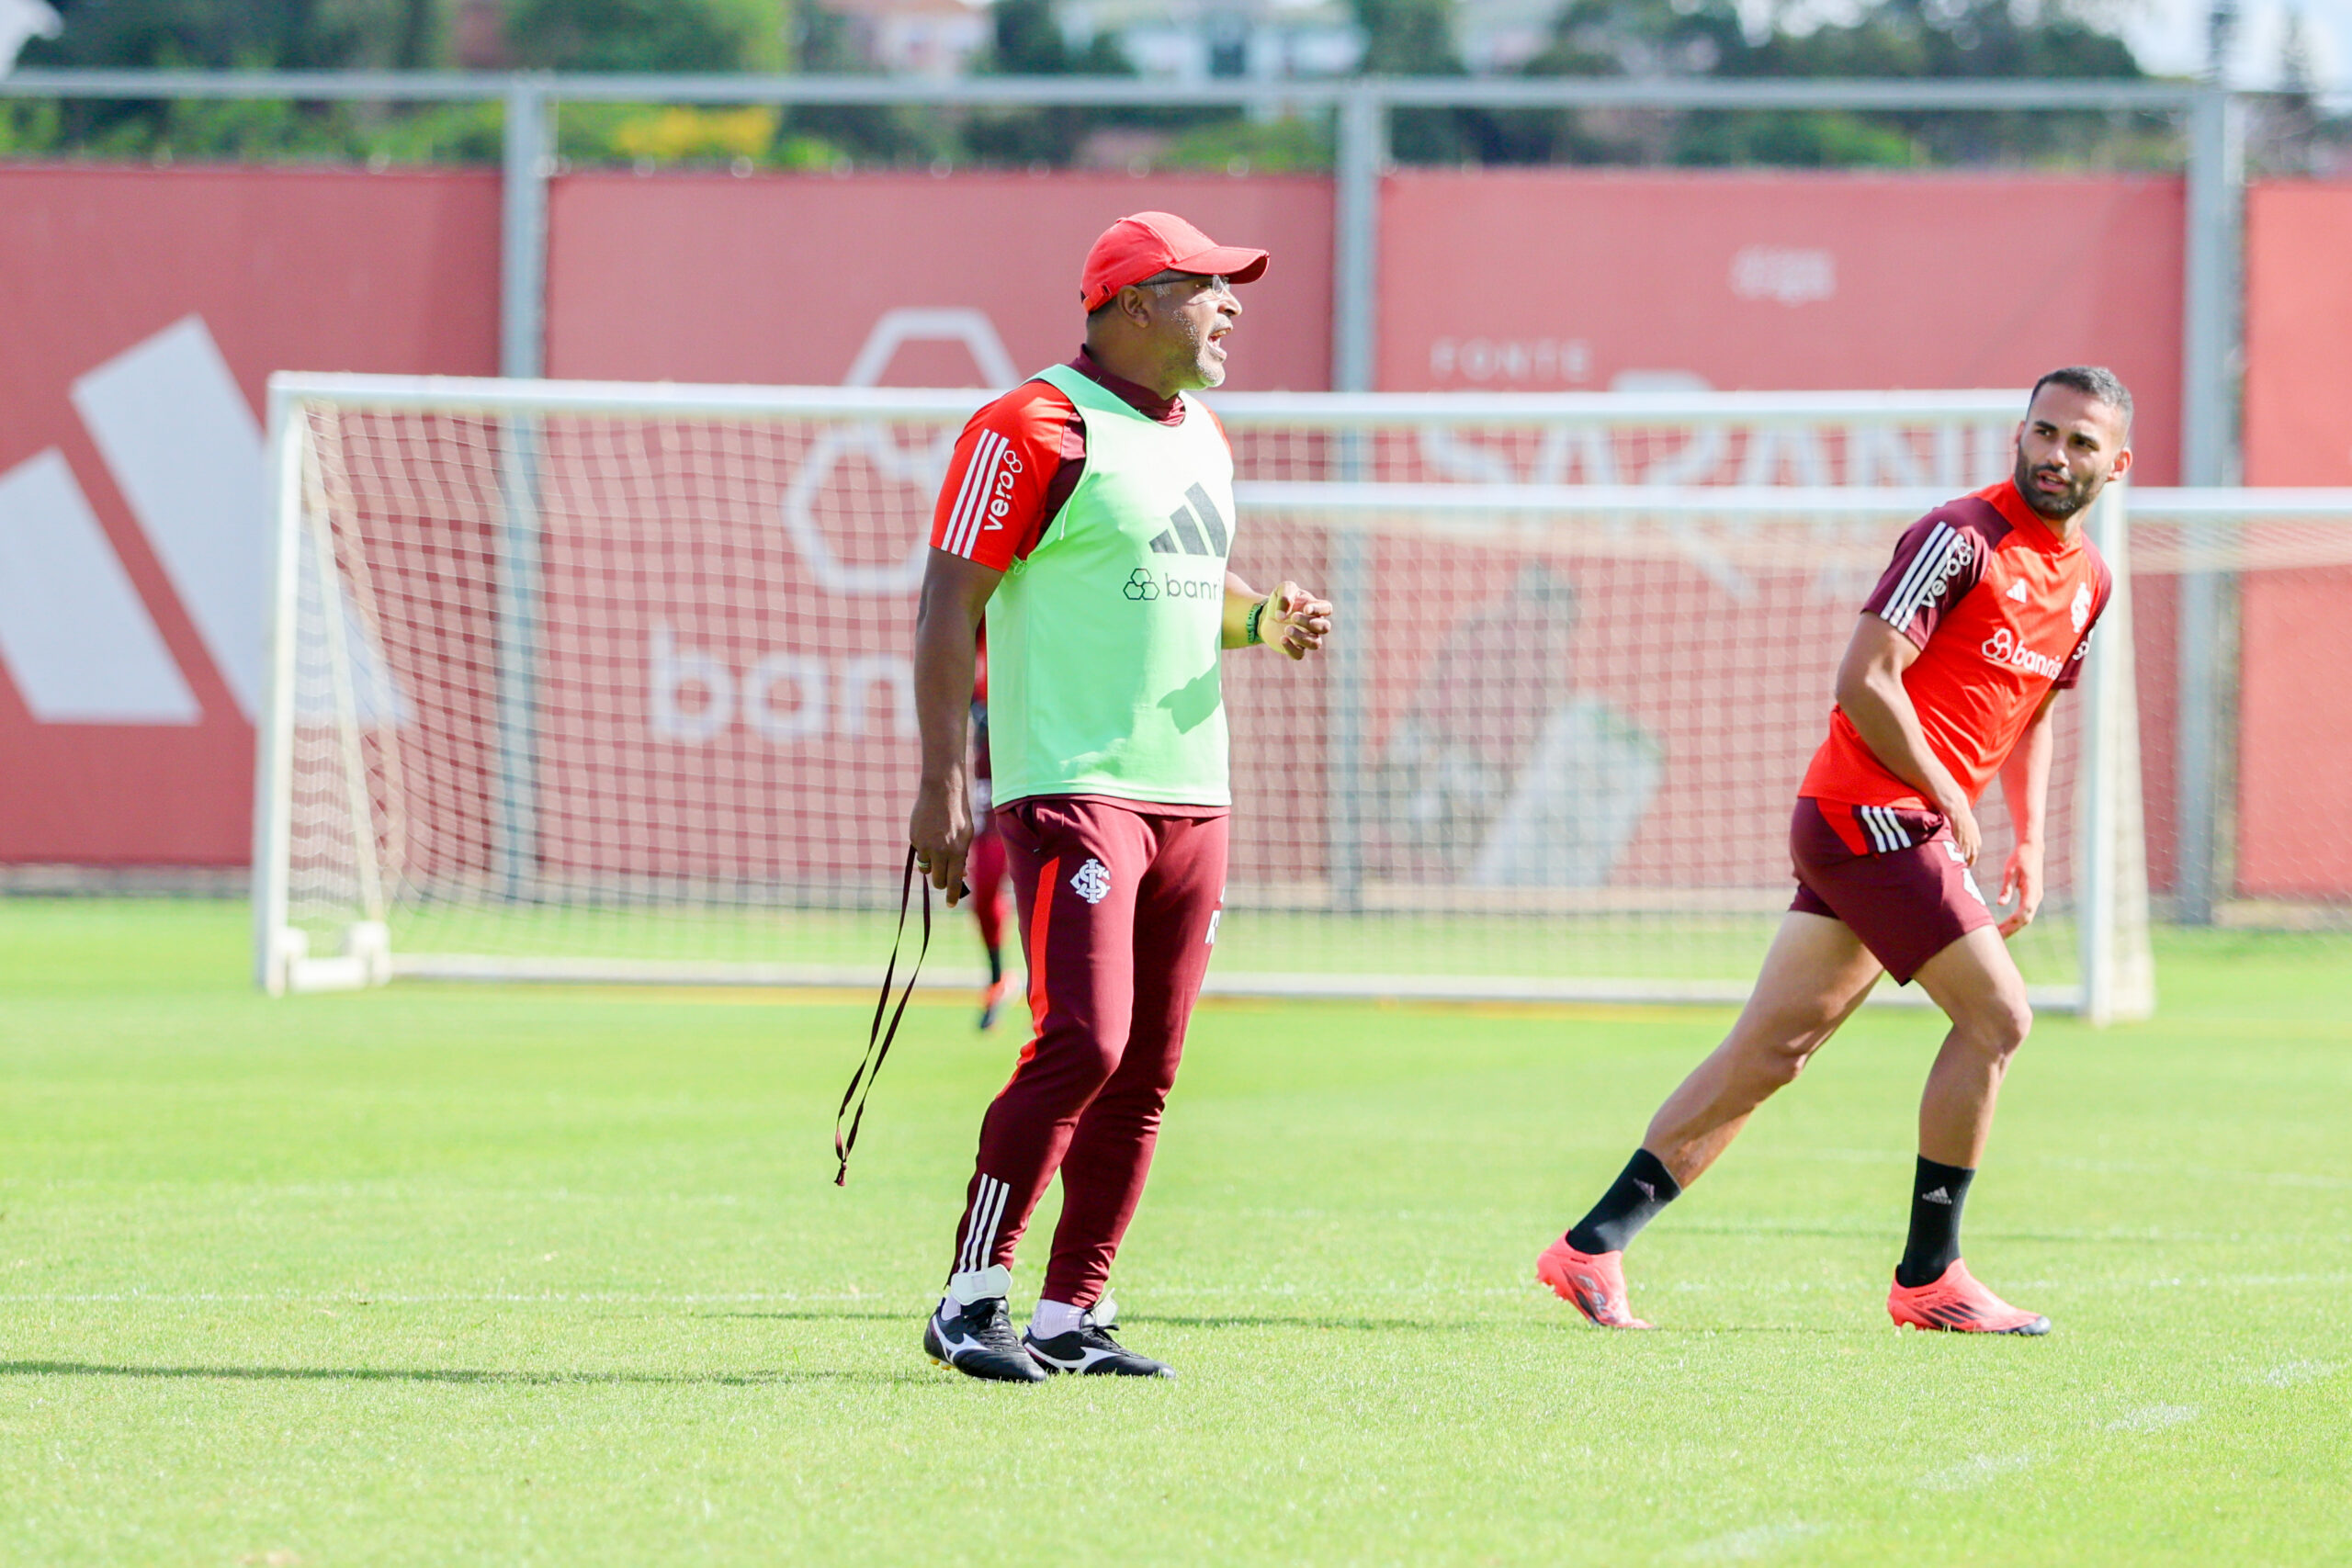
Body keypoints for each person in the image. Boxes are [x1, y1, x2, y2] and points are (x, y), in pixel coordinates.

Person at [1537, 367, 2132, 1336]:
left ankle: (1590, 1247)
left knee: (1771, 1053)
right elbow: (1865, 679)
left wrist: (2028, 836)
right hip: (1871, 815)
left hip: (1893, 826)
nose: (2054, 456)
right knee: (1999, 1019)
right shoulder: (1958, 537)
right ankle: (1930, 1276)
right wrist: (1945, 792)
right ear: (2017, 435)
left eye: (2078, 443)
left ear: (2116, 463)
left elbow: (2030, 717)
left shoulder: (2090, 582)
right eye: (2042, 433)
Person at [907, 211, 1334, 1382]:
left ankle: (1067, 1318)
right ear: (1134, 301)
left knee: (1145, 1066)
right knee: (1083, 1041)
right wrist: (944, 780)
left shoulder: (1204, 434)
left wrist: (1263, 621)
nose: (1233, 307)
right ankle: (970, 1297)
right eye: (1209, 288)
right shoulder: (1030, 423)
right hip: (1074, 785)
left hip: (1195, 790)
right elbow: (949, 604)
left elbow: (1194, 591)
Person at [967, 629, 1014, 1031]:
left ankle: (1059, 991)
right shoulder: (981, 603)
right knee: (981, 890)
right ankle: (998, 978)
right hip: (994, 775)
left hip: (1045, 767)